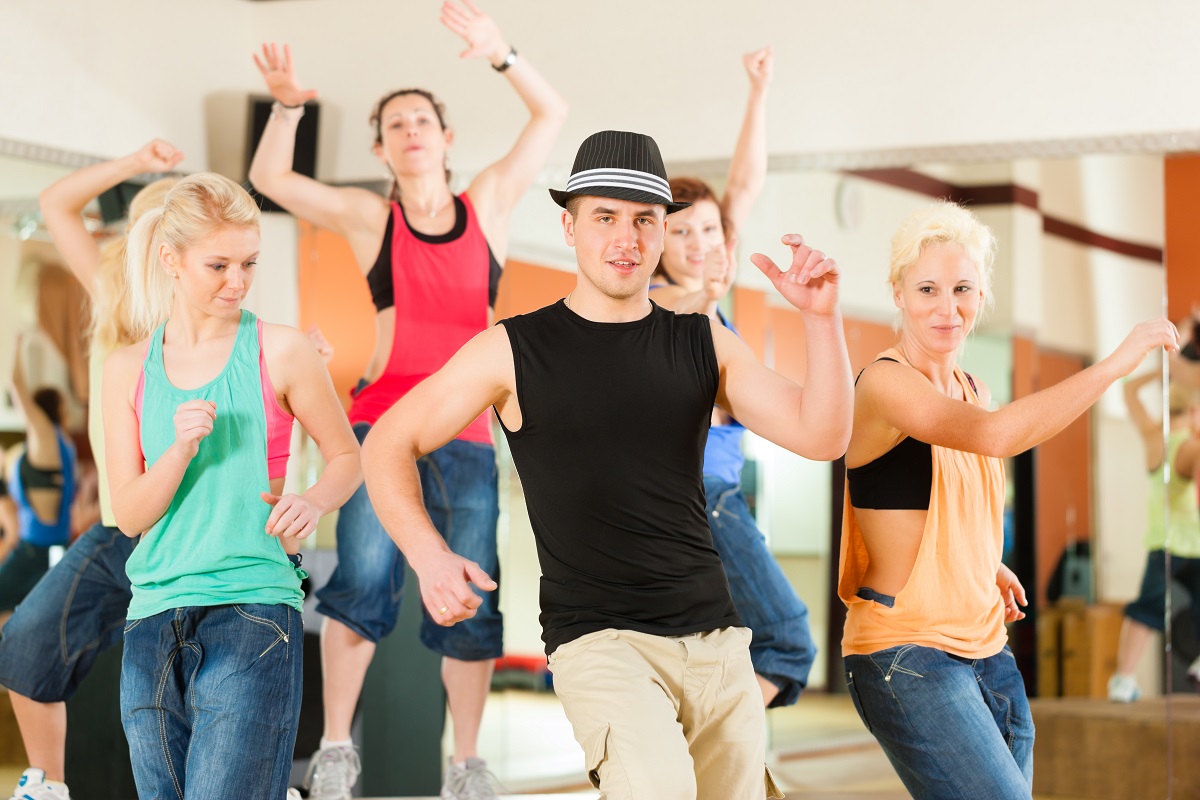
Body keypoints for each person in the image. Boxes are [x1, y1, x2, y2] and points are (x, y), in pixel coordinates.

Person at [360, 130, 853, 799]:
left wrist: (822, 323)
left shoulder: (701, 339)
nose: (627, 237)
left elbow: (821, 435)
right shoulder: (513, 350)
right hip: (601, 640)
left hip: (716, 639)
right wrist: (428, 554)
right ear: (569, 226)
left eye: (644, 219)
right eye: (605, 217)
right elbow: (387, 440)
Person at [247, 2, 567, 797]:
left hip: (462, 434)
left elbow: (551, 112)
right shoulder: (370, 218)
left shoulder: (486, 207)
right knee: (360, 583)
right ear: (383, 147)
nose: (411, 130)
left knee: (472, 592)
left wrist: (500, 52)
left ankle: (465, 763)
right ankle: (334, 750)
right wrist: (288, 105)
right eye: (395, 123)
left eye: (423, 118)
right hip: (378, 421)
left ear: (447, 139)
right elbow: (268, 180)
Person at [839, 200, 1179, 800]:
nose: (948, 307)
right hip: (908, 652)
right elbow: (995, 437)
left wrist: (980, 563)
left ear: (982, 293)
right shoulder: (885, 383)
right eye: (927, 289)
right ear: (897, 292)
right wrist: (1114, 367)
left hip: (986, 643)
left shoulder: (977, 390)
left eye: (963, 288)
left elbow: (946, 495)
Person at [102, 172, 361, 799]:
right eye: (218, 265)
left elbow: (347, 456)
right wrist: (180, 450)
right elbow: (131, 514)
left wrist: (313, 499)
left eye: (248, 263)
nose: (237, 281)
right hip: (152, 618)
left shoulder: (282, 350)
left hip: (253, 608)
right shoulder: (126, 369)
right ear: (171, 259)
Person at [0, 142, 180, 800]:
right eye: (146, 230)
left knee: (181, 697)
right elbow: (56, 204)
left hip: (191, 531)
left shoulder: (219, 327)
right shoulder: (115, 299)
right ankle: (47, 785)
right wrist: (134, 161)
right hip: (117, 532)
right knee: (27, 644)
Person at [649, 45, 815, 709]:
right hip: (702, 495)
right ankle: (713, 730)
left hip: (714, 491)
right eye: (680, 232)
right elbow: (680, 313)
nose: (699, 243)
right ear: (658, 242)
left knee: (712, 643)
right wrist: (705, 290)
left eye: (709, 231)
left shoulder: (711, 283)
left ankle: (707, 743)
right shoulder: (655, 300)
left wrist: (758, 94)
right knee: (787, 641)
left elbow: (743, 184)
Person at [1107, 374, 1200, 701]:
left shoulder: (1152, 437)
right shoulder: (1191, 447)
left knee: (1145, 611)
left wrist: (1166, 370)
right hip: (1194, 544)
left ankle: (1123, 679)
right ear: (1192, 410)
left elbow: (1129, 388)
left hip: (1162, 541)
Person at [0, 340, 76, 620]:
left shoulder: (47, 437)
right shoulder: (61, 444)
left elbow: (15, 385)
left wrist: (17, 343)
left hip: (36, 551)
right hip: (56, 549)